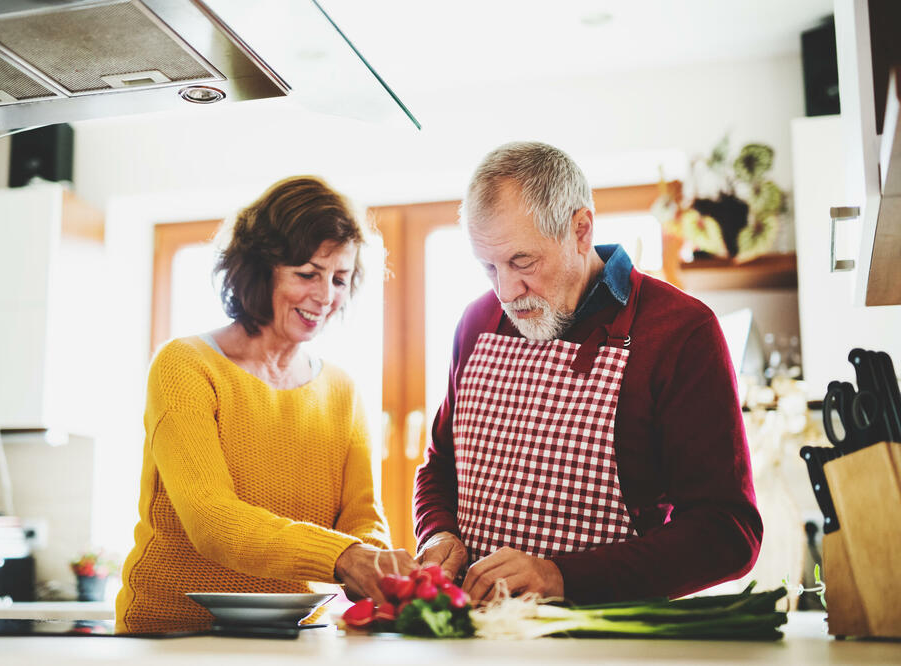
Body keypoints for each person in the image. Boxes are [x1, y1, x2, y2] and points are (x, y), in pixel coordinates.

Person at [414, 142, 762, 605]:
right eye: (488, 267)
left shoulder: (680, 332)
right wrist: (436, 533)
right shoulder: (475, 323)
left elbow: (728, 532)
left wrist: (560, 577)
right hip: (479, 632)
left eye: (522, 262)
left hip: (609, 638)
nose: (506, 291)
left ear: (581, 230)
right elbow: (439, 466)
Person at [116, 176, 414, 634]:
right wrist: (344, 557)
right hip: (171, 633)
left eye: (340, 278)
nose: (325, 296)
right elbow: (213, 521)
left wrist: (374, 564)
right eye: (307, 273)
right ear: (260, 268)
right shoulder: (185, 366)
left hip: (297, 637)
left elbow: (363, 521)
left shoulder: (341, 390)